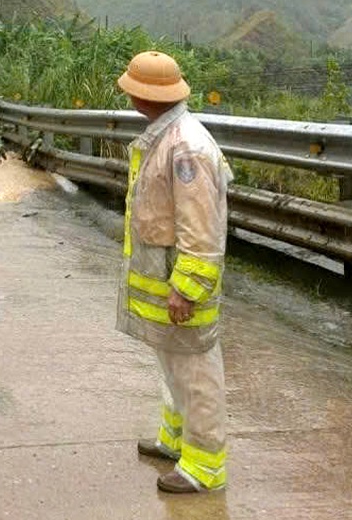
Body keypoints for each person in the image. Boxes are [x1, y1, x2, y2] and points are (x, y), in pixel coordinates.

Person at [116, 51, 232, 494]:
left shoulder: (185, 148)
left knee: (196, 373)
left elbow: (201, 228)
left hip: (181, 289)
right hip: (166, 287)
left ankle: (204, 466)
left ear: (143, 95)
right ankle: (177, 440)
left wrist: (186, 289)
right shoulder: (164, 136)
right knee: (173, 365)